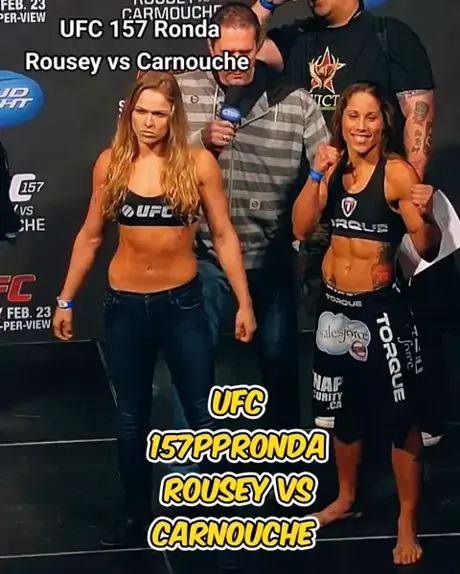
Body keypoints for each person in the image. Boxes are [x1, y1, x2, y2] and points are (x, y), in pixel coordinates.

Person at [52, 71, 256, 548]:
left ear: (173, 118)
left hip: (182, 304)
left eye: (158, 114)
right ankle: (136, 513)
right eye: (141, 112)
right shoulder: (111, 164)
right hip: (125, 306)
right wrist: (65, 298)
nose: (147, 122)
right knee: (131, 417)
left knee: (202, 413)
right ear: (129, 113)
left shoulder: (198, 164)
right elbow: (91, 236)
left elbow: (223, 235)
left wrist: (244, 301)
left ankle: (208, 513)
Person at [251, 0, 447, 446]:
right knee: (333, 312)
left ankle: (423, 415)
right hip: (326, 194)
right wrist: (266, 4)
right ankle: (344, 416)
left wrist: (404, 198)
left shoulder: (388, 36)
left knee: (408, 319)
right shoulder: (297, 38)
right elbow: (241, 51)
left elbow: (419, 118)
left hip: (385, 199)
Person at [292, 83, 441, 565]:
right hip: (335, 313)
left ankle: (406, 521)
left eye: (371, 117)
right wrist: (316, 174)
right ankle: (346, 498)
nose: (361, 126)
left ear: (384, 123)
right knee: (344, 413)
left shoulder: (396, 173)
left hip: (380, 315)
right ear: (341, 121)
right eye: (353, 116)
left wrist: (426, 214)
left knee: (400, 421)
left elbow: (428, 247)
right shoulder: (333, 167)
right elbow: (301, 228)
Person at [170, 2, 330, 442]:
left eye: (245, 53)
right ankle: (187, 466)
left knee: (279, 363)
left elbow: (328, 172)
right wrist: (198, 141)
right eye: (227, 54)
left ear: (259, 47)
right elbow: (146, 160)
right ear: (210, 48)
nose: (236, 64)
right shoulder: (181, 93)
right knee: (191, 361)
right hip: (201, 256)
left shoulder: (295, 100)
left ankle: (285, 463)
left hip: (269, 256)